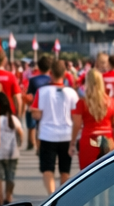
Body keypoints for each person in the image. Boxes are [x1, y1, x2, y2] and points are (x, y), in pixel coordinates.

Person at [32, 57, 80, 194]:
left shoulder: (42, 91)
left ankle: (51, 194)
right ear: (65, 74)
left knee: (48, 168)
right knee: (65, 169)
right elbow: (75, 115)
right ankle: (61, 195)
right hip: (66, 134)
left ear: (50, 73)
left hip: (47, 134)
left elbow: (36, 114)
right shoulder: (71, 93)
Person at [71, 68, 114, 170]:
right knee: (108, 176)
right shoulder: (110, 102)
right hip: (107, 140)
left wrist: (72, 143)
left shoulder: (82, 103)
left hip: (89, 141)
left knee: (88, 176)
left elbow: (76, 125)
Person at [0, 90, 23, 206]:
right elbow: (20, 132)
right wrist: (19, 144)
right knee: (10, 175)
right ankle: (8, 197)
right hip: (12, 152)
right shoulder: (12, 119)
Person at [24, 52, 52, 151]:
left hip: (37, 108)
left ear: (38, 67)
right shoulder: (53, 80)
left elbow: (29, 95)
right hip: (50, 107)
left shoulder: (33, 80)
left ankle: (39, 148)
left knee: (39, 128)